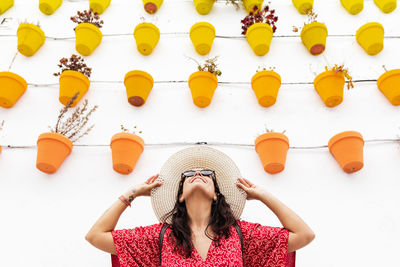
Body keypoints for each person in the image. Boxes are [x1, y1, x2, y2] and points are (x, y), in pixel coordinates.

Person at [86, 146, 315, 266]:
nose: (197, 173)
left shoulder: (240, 234)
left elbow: (304, 235)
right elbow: (96, 236)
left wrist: (265, 195)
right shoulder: (162, 237)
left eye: (207, 174)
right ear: (181, 196)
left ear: (216, 195)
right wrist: (132, 193)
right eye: (188, 175)